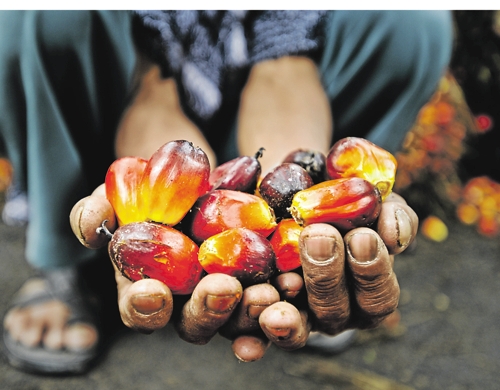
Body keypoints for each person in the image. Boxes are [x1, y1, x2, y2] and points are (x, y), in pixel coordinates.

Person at [0, 10, 452, 375]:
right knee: (44, 15)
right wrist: (160, 198)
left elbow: (285, 70)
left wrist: (293, 188)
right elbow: (152, 95)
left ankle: (327, 250)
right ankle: (66, 265)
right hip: (128, 89)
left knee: (412, 23)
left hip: (262, 117)